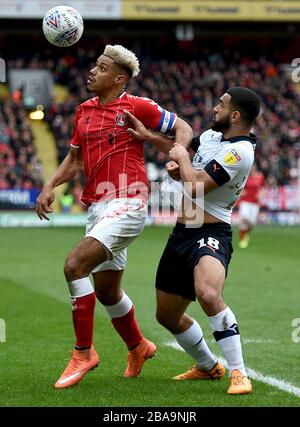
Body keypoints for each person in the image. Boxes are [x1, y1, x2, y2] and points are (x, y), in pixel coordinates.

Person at [35, 44, 192, 389]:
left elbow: (183, 129)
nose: (92, 71)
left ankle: (83, 353)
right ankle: (138, 347)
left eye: (102, 68)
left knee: (74, 266)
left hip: (129, 200)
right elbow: (75, 161)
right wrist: (50, 185)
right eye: (95, 65)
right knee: (107, 292)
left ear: (119, 79)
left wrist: (174, 154)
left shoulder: (138, 106)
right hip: (96, 206)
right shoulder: (83, 111)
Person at [126, 87, 260, 395]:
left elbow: (198, 184)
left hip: (211, 233)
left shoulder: (240, 152)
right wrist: (148, 137)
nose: (215, 108)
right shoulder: (213, 137)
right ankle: (207, 365)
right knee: (166, 315)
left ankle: (239, 373)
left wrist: (181, 163)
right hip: (182, 232)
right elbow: (178, 150)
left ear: (235, 115)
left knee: (209, 294)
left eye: (221, 105)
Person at [238, 163, 265, 248]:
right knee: (244, 219)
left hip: (255, 203)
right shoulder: (244, 176)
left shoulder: (260, 176)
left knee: (252, 223)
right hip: (245, 201)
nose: (252, 169)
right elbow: (237, 187)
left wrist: (261, 194)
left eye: (253, 167)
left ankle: (246, 234)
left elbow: (263, 187)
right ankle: (243, 240)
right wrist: (241, 192)